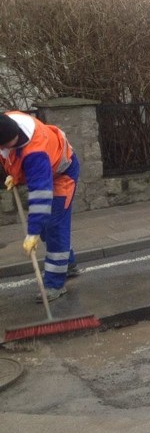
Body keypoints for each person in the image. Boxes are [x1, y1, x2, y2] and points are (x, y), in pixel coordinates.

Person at [0, 111, 80, 301]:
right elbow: (11, 156)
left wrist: (32, 233)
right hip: (45, 169)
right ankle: (69, 264)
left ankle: (54, 284)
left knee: (53, 227)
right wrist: (15, 176)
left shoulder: (36, 153)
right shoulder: (7, 121)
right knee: (46, 226)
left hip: (62, 174)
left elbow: (40, 198)